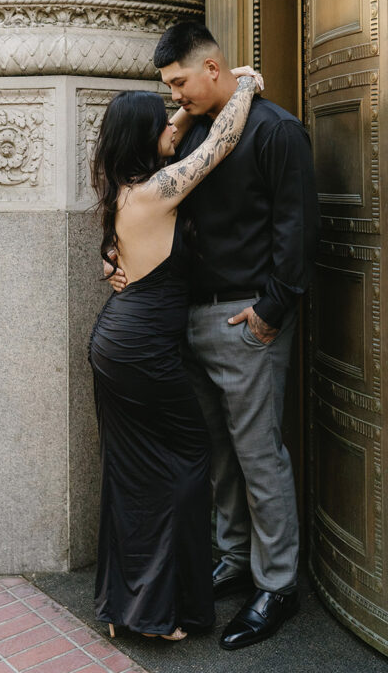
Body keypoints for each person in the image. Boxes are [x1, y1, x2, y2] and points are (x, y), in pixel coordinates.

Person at [108, 22, 320, 651]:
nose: (176, 97)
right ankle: (231, 557)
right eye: (167, 88)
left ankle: (278, 584)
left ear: (213, 67)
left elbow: (298, 229)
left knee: (258, 455)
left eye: (181, 83)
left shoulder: (276, 130)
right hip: (185, 323)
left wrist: (270, 312)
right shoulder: (195, 133)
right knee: (219, 453)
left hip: (243, 323)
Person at [89, 70, 260, 641]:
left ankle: (124, 603)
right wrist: (245, 88)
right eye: (162, 121)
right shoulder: (158, 190)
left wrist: (184, 110)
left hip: (119, 341)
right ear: (143, 137)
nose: (174, 122)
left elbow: (176, 129)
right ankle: (160, 612)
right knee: (186, 461)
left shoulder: (123, 189)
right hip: (141, 350)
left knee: (131, 469)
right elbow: (221, 144)